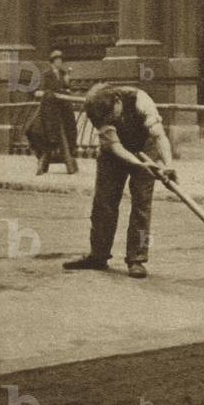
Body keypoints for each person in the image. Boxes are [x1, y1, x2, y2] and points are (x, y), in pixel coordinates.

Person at [61, 83, 176, 279]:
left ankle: (137, 259)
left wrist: (168, 165)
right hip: (113, 154)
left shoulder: (141, 100)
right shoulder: (96, 108)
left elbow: (158, 135)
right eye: (107, 120)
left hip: (146, 147)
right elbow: (116, 147)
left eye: (112, 115)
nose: (111, 120)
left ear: (118, 101)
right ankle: (98, 255)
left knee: (141, 204)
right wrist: (139, 165)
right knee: (103, 203)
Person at [27, 50, 79, 175]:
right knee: (42, 130)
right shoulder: (46, 75)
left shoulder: (63, 74)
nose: (59, 62)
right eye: (57, 60)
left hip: (62, 110)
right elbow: (39, 91)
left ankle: (66, 155)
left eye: (60, 60)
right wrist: (50, 95)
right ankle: (46, 157)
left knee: (69, 129)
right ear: (52, 62)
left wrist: (67, 82)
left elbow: (67, 89)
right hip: (49, 110)